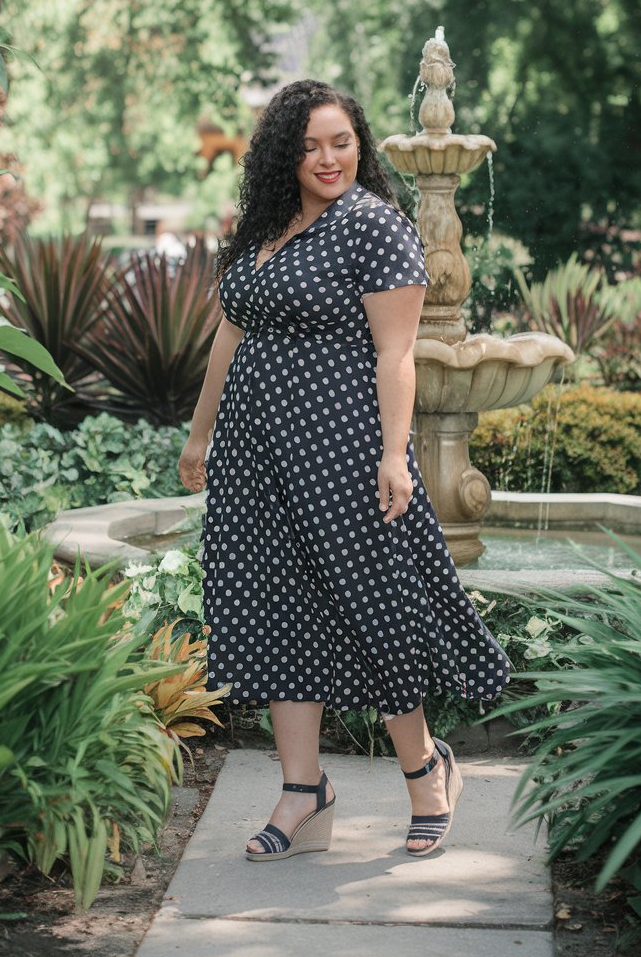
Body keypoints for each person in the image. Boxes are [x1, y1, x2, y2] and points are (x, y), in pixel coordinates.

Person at [179, 79, 512, 860]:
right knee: (275, 611)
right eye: (309, 146)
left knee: (376, 607)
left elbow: (398, 354)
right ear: (281, 155)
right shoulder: (263, 227)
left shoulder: (375, 226)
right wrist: (200, 436)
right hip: (256, 462)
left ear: (360, 145)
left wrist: (396, 456)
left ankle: (428, 772)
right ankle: (304, 792)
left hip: (341, 453)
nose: (328, 159)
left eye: (341, 142)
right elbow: (229, 337)